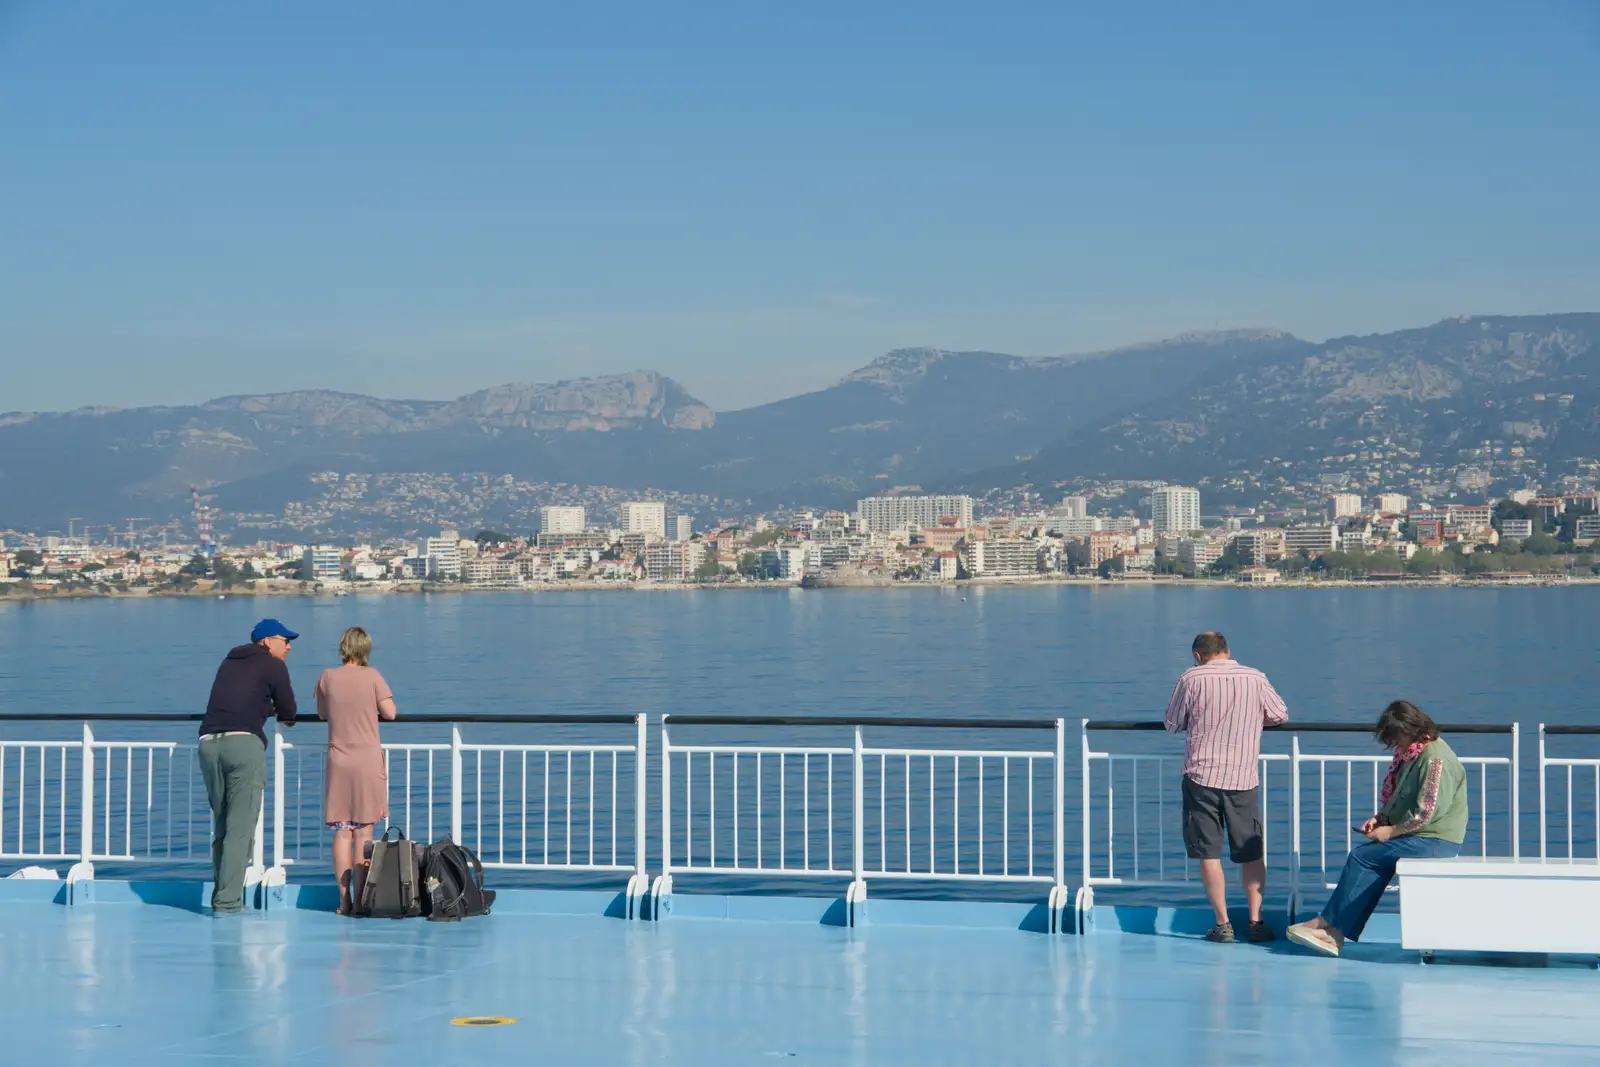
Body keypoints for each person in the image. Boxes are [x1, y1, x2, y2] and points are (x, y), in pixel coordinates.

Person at [1287, 701, 1467, 957]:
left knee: (1363, 858)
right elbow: (1406, 800)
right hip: (1424, 836)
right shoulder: (1416, 753)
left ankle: (1328, 927)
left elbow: (1427, 812)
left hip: (1436, 840)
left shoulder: (1435, 759)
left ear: (1409, 729)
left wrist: (1391, 832)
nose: (1395, 745)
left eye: (1396, 739)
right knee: (1373, 860)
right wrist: (1381, 819)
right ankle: (1333, 931)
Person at [1164, 631, 1288, 943]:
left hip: (1201, 777)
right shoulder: (1255, 678)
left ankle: (1222, 924)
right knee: (1250, 852)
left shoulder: (1191, 679)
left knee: (1209, 853)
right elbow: (1279, 715)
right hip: (1242, 778)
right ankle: (1256, 921)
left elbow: (1172, 723)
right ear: (1228, 651)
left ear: (1197, 655)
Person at [198, 618, 298, 913]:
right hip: (242, 745)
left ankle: (222, 892)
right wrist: (278, 713)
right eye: (285, 640)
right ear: (267, 641)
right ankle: (227, 902)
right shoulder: (273, 665)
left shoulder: (229, 662)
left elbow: (238, 698)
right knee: (240, 827)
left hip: (208, 743)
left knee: (222, 825)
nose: (289, 647)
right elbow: (288, 710)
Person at [316, 626, 397, 914]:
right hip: (366, 761)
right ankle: (362, 898)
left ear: (343, 648)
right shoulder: (372, 676)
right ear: (366, 649)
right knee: (363, 833)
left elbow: (323, 714)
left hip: (339, 761)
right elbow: (390, 713)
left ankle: (343, 899)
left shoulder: (328, 677)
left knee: (342, 833)